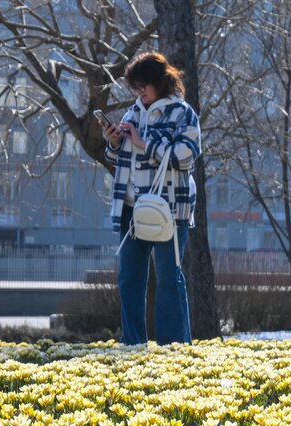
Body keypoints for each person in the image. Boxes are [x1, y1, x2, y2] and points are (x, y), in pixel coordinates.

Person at [99, 51, 201, 345]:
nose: (139, 91)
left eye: (144, 84)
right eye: (135, 86)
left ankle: (175, 346)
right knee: (130, 279)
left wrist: (143, 142)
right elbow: (121, 158)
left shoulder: (183, 113)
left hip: (170, 206)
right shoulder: (133, 112)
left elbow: (186, 156)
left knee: (169, 278)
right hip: (132, 206)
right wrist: (116, 142)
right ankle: (133, 342)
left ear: (161, 81)